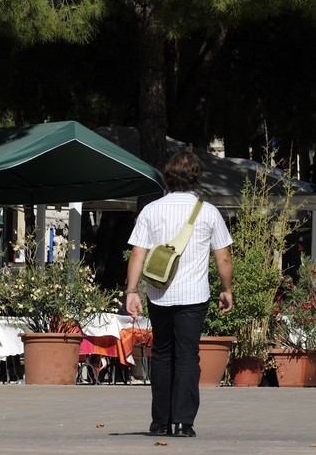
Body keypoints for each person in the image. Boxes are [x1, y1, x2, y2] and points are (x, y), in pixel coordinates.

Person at [124, 149, 233, 438]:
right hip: (194, 296)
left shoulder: (152, 209)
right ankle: (183, 423)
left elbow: (137, 253)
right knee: (187, 356)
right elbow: (223, 257)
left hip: (159, 294)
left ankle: (160, 421)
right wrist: (227, 289)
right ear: (197, 177)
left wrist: (132, 290)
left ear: (168, 177)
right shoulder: (208, 212)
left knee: (161, 355)